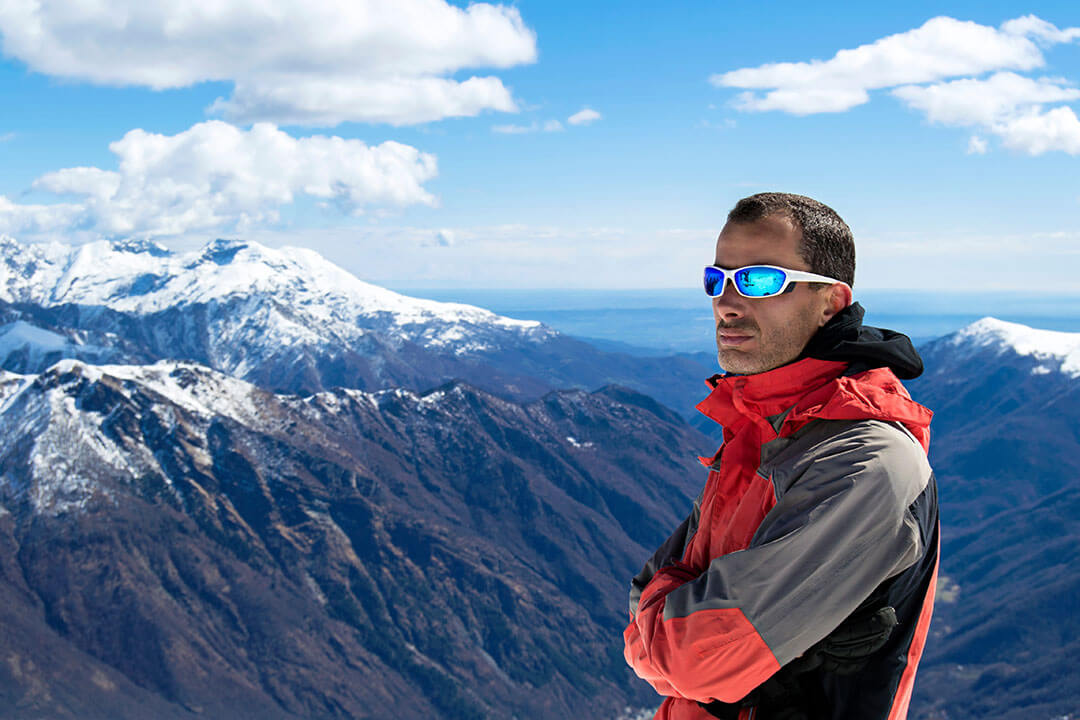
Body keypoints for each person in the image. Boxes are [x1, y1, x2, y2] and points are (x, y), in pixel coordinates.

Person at [623, 193, 939, 720]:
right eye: (717, 279)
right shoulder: (761, 428)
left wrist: (666, 613)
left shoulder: (861, 460)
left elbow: (689, 659)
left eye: (760, 280)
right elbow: (658, 621)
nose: (727, 301)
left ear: (831, 302)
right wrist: (668, 616)